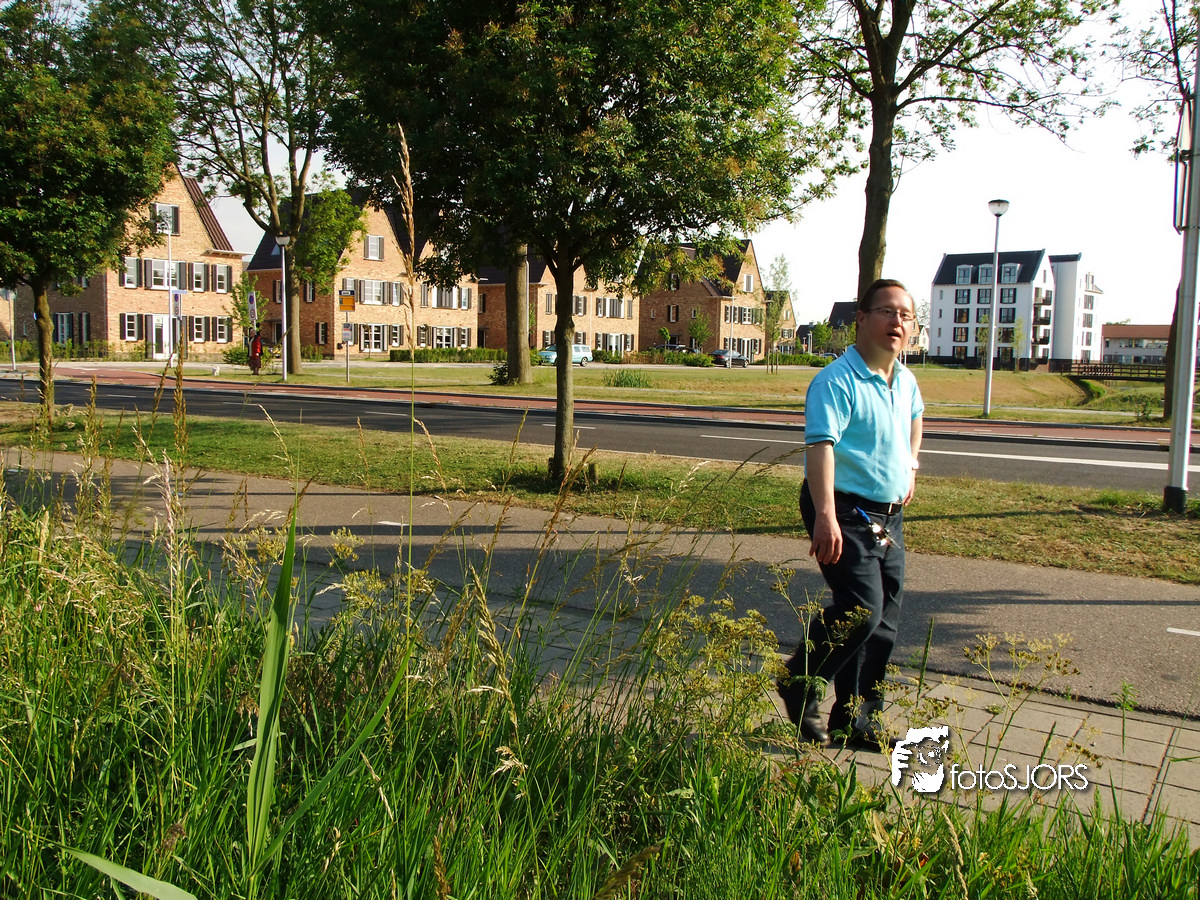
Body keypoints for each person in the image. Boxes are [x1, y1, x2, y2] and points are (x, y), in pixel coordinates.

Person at [778, 278, 924, 750]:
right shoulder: (836, 381)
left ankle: (856, 720)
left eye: (906, 315)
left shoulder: (905, 380)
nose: (898, 322)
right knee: (862, 610)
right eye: (887, 311)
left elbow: (916, 417)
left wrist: (911, 465)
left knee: (885, 620)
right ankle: (801, 680)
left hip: (888, 516)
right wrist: (826, 516)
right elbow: (820, 447)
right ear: (861, 319)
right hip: (842, 506)